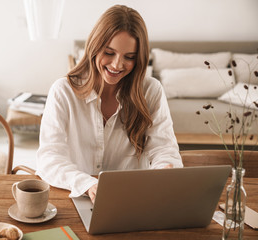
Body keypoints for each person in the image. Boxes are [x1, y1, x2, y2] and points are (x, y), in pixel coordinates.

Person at [36, 4, 183, 203]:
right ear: (94, 47)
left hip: (134, 200)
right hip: (77, 197)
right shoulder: (63, 91)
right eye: (109, 52)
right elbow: (49, 158)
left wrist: (166, 168)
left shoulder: (151, 91)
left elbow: (164, 149)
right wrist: (88, 184)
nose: (117, 65)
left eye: (129, 57)